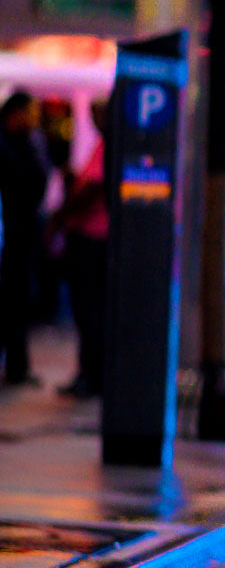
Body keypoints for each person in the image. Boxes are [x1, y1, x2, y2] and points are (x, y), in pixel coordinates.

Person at [51, 101, 110, 398]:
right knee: (89, 311)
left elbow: (94, 188)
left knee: (89, 310)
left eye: (98, 114)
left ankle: (91, 374)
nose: (94, 120)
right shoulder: (103, 145)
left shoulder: (110, 145)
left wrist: (60, 216)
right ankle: (91, 373)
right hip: (90, 236)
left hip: (93, 237)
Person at [0, 92, 47, 387]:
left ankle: (17, 365)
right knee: (11, 300)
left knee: (17, 301)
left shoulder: (26, 141)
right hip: (12, 233)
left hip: (20, 234)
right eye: (29, 113)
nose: (34, 120)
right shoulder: (9, 145)